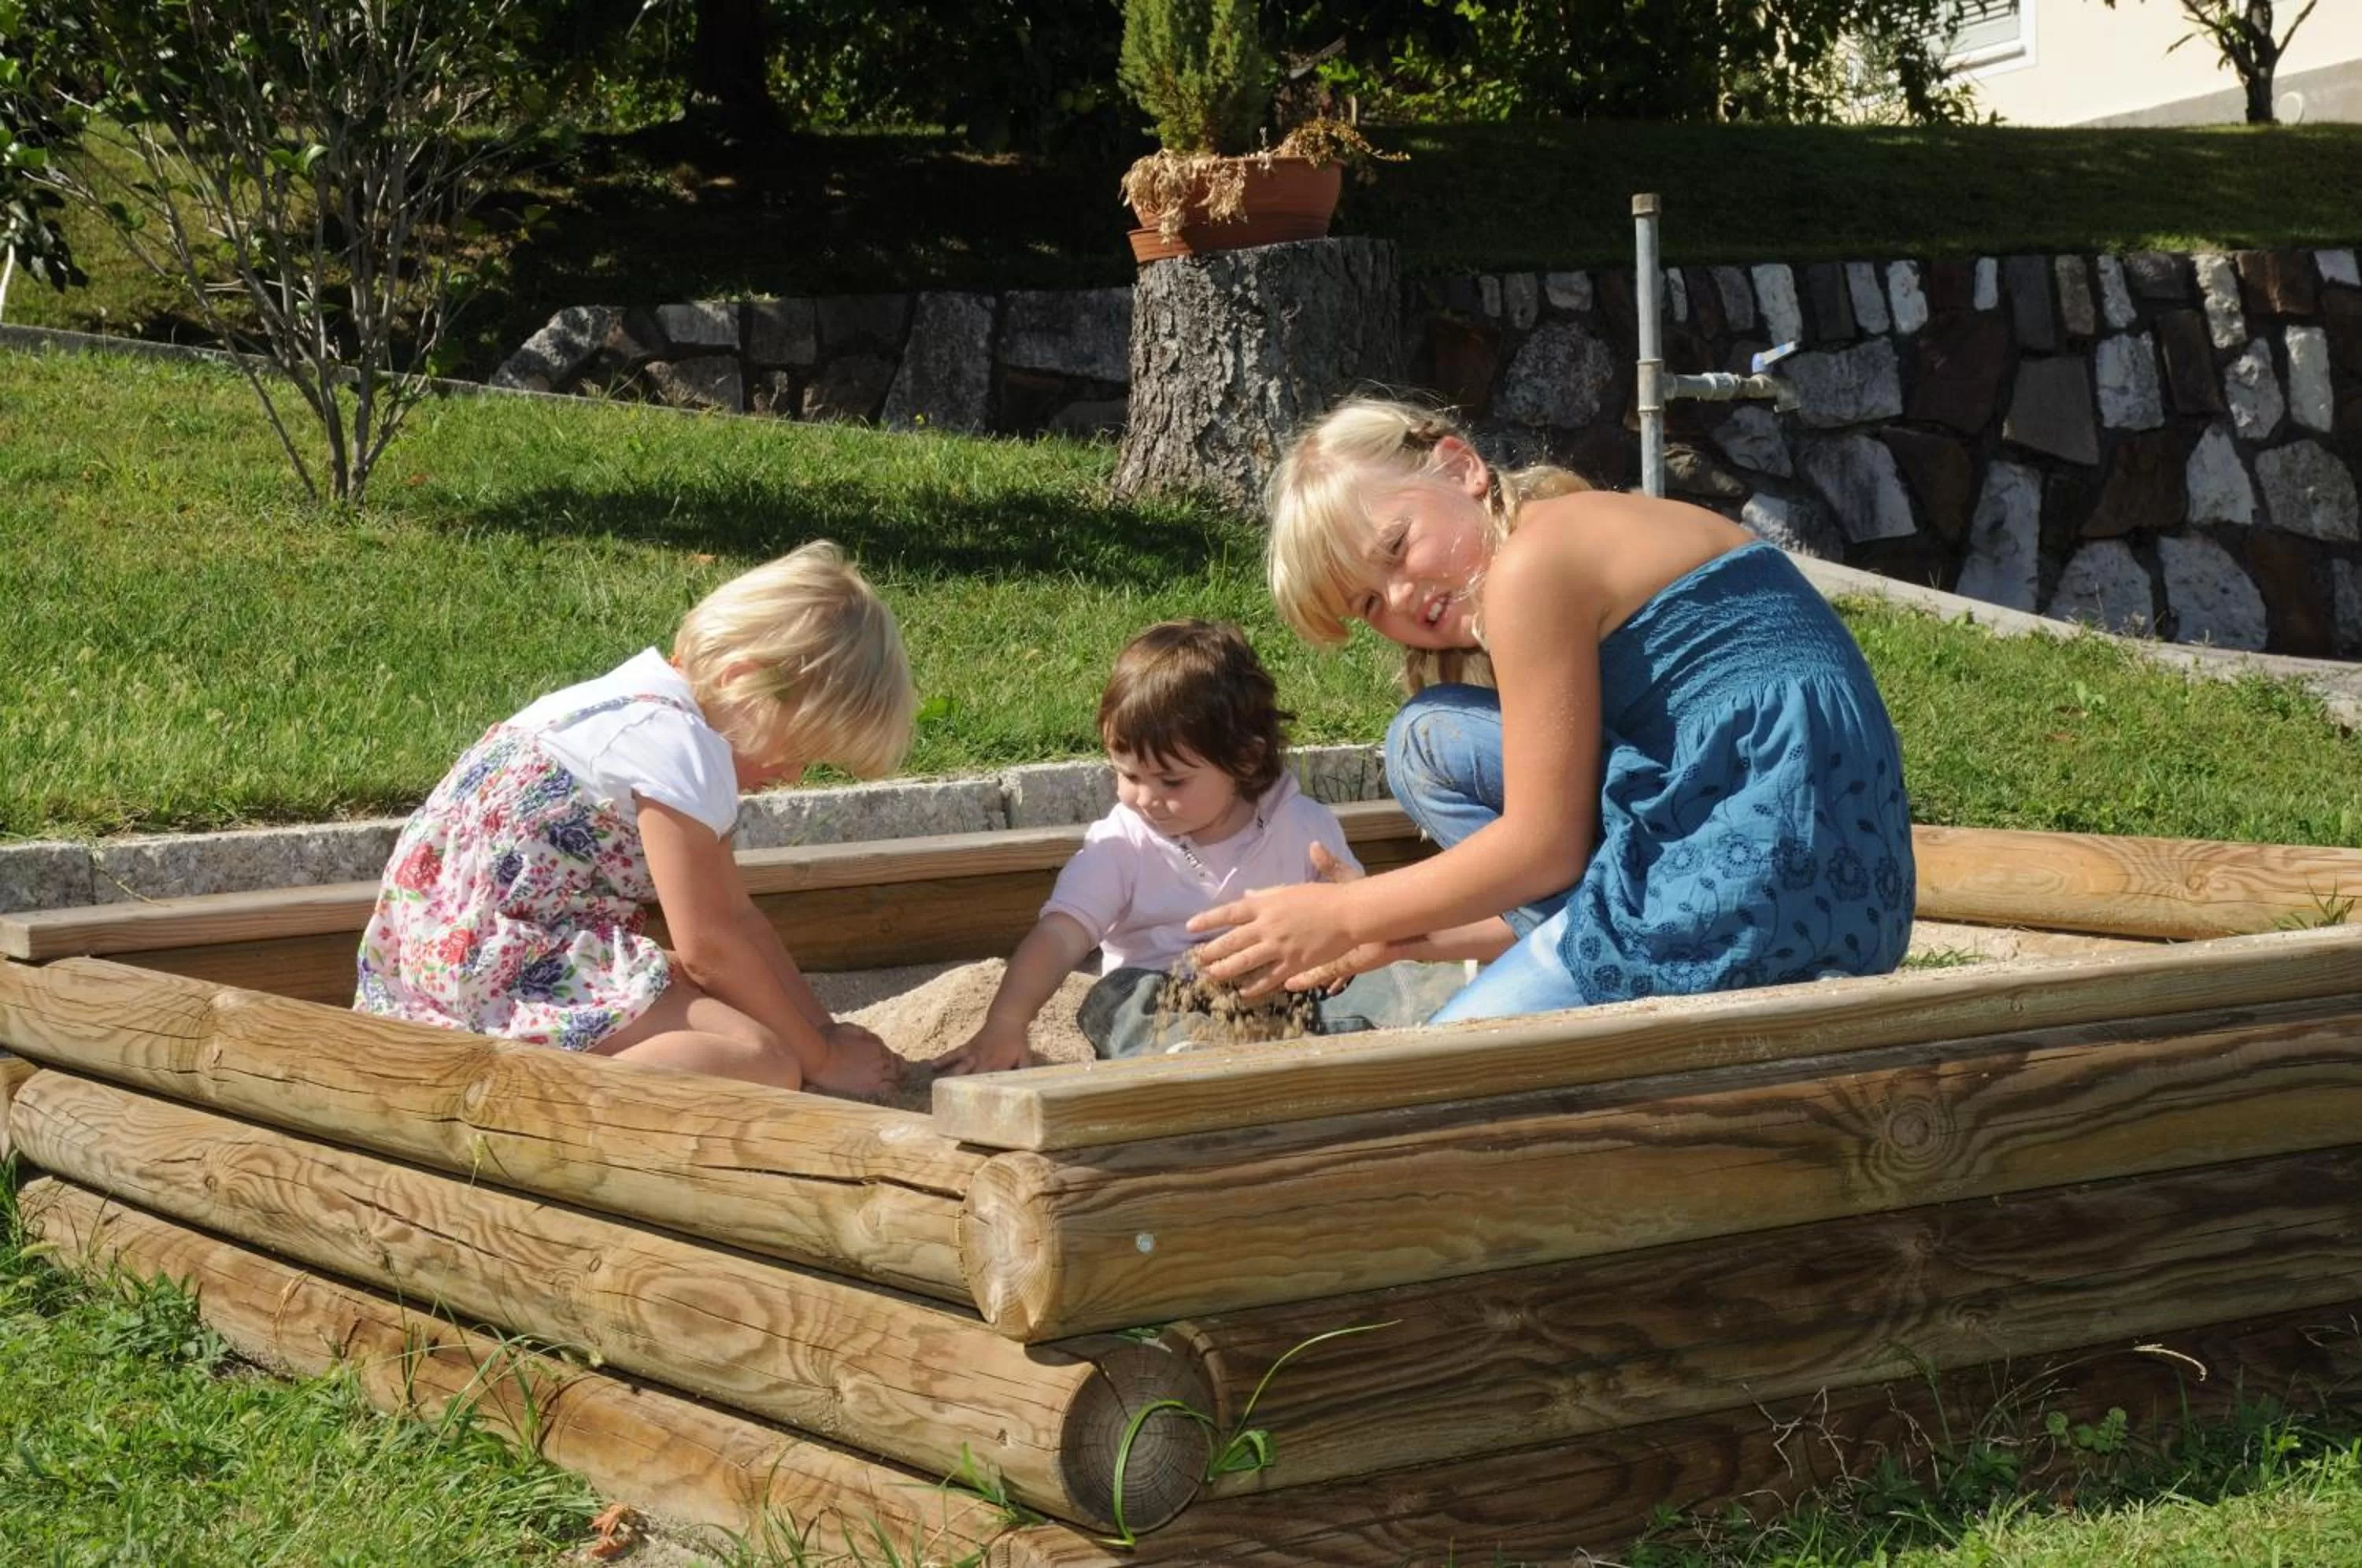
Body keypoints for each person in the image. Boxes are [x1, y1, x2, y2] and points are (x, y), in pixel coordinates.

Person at [1185, 397, 1915, 1022]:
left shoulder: (1530, 568)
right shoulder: (1575, 530)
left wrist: (1341, 914)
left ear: (1460, 465)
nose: (1401, 597)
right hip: (1846, 887)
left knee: (1429, 1081)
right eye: (1370, 603)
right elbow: (1589, 846)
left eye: (1398, 548)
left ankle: (1601, 973)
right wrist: (1400, 935)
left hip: (1752, 880)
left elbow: (1547, 848)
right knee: (1426, 734)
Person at [354, 541, 915, 1096]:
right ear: (742, 681)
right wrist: (818, 1059)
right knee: (758, 1062)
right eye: (795, 751)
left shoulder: (634, 702)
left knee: (730, 1011)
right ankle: (520, 1101)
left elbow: (737, 920)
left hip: (438, 953)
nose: (792, 775)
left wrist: (823, 1032)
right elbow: (711, 947)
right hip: (495, 967)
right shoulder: (680, 747)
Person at [932, 618, 1464, 1074]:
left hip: (1286, 992)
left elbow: (1356, 921)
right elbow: (1059, 937)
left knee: (1394, 975)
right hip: (1170, 998)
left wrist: (1349, 950)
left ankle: (1373, 1033)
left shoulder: (1302, 825)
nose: (1144, 798)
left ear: (1247, 759)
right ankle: (1190, 1058)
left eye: (1171, 781)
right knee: (1112, 999)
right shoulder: (1121, 844)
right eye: (1127, 775)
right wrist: (1006, 1024)